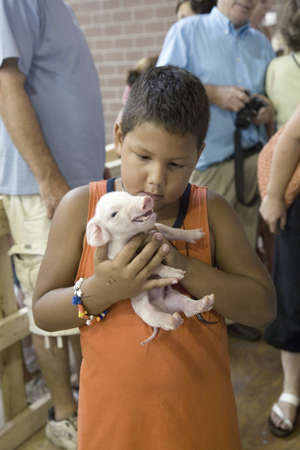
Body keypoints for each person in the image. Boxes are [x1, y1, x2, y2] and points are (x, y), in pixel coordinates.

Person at [32, 66, 275, 450]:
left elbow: (262, 308)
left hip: (199, 422)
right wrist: (103, 288)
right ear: (118, 137)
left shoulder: (211, 211)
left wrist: (183, 266)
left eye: (176, 164)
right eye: (142, 156)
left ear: (198, 156)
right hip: (113, 426)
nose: (155, 180)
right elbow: (43, 310)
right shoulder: (82, 208)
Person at [0, 0, 106, 448]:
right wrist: (49, 180)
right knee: (51, 306)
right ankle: (65, 416)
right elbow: (6, 84)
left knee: (84, 297)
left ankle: (89, 403)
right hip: (45, 186)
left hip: (73, 183)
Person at [157, 0, 275, 341]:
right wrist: (213, 94)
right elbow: (163, 87)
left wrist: (265, 108)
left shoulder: (261, 42)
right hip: (209, 166)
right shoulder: (186, 32)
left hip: (255, 160)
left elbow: (268, 99)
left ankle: (240, 319)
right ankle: (206, 330)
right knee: (207, 258)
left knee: (245, 254)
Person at [259, 1, 300, 438]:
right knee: (293, 295)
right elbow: (291, 137)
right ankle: (291, 390)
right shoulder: (278, 67)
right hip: (294, 191)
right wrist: (273, 198)